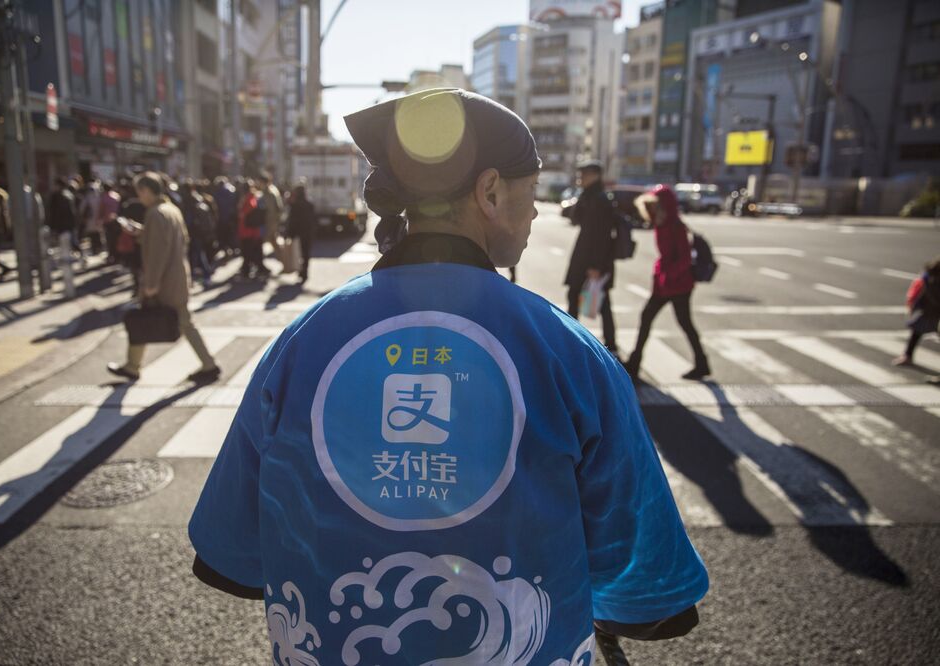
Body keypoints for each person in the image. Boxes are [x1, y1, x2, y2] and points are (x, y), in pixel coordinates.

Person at [188, 89, 707, 665]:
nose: (536, 210)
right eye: (531, 192)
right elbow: (646, 586)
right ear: (488, 192)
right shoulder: (568, 351)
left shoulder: (303, 340)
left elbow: (231, 552)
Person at [107, 172, 220, 384]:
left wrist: (151, 283)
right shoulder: (170, 210)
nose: (139, 196)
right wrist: (142, 232)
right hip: (177, 276)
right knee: (168, 321)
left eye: (139, 191)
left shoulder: (155, 214)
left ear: (147, 191)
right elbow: (173, 241)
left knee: (162, 321)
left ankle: (208, 364)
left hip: (165, 280)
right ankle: (133, 365)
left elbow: (158, 252)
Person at [624, 185, 710, 381]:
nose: (653, 209)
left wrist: (667, 274)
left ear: (666, 206)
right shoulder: (661, 224)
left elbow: (685, 259)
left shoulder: (675, 226)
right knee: (650, 318)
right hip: (666, 283)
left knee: (683, 323)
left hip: (678, 284)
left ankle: (701, 363)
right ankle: (635, 362)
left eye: (657, 206)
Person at [564, 160, 620, 352]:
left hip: (592, 261)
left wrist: (596, 265)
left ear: (595, 176)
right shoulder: (589, 196)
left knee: (597, 301)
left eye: (584, 175)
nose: (580, 179)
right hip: (584, 257)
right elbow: (574, 218)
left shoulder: (600, 200)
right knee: (578, 297)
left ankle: (606, 342)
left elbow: (603, 236)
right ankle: (578, 338)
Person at [893, 256, 940, 367]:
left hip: (930, 311)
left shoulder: (929, 279)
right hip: (931, 312)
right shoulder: (931, 280)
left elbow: (922, 295)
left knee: (916, 332)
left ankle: (907, 356)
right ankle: (907, 355)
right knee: (916, 332)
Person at [236, 180, 269, 280]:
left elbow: (245, 214)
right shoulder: (253, 197)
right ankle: (258, 269)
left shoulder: (249, 199)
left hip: (249, 232)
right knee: (253, 252)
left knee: (248, 252)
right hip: (252, 231)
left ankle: (249, 271)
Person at [286, 182, 316, 284]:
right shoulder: (309, 204)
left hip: (298, 233)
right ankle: (304, 272)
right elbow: (313, 219)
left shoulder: (295, 205)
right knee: (306, 253)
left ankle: (301, 270)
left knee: (298, 253)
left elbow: (292, 220)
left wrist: (289, 233)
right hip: (307, 232)